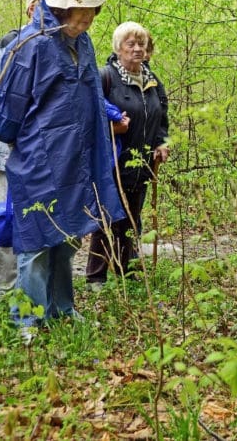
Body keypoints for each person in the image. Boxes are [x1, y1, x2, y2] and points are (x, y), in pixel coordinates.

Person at [0, 0, 125, 331]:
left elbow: (93, 97)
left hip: (78, 159)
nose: (85, 22)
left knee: (66, 238)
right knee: (35, 239)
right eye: (79, 16)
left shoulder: (84, 43)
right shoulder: (32, 43)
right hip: (39, 157)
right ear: (62, 10)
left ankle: (62, 308)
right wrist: (9, 141)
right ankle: (28, 320)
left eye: (90, 16)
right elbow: (12, 99)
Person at [0, 0, 54, 307]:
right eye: (42, 5)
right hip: (9, 147)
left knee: (38, 220)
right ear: (29, 9)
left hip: (41, 152)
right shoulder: (11, 42)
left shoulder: (55, 47)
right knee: (10, 216)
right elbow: (1, 93)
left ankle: (31, 290)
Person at [85, 22, 169, 287]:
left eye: (141, 44)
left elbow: (162, 119)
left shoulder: (153, 82)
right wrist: (114, 128)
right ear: (118, 48)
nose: (137, 49)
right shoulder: (105, 77)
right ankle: (96, 277)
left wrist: (162, 143)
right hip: (111, 162)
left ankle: (128, 273)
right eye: (130, 44)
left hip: (142, 163)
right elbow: (89, 118)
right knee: (106, 218)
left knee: (133, 220)